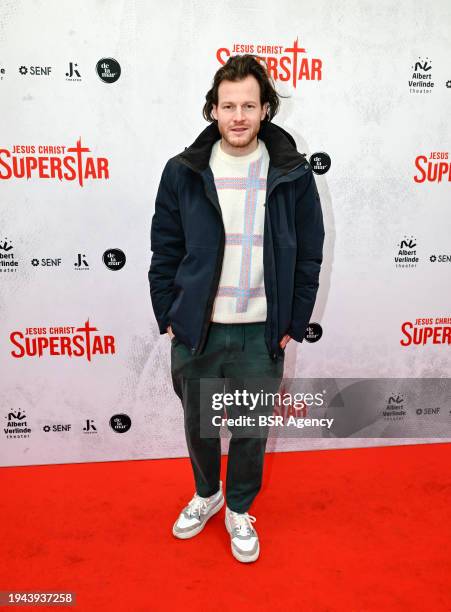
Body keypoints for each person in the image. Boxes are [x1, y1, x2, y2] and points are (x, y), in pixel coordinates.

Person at [148, 54, 325, 563]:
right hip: (199, 329)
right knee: (200, 424)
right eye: (229, 106)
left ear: (266, 109)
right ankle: (208, 495)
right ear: (213, 110)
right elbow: (165, 247)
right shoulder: (183, 171)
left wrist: (294, 319)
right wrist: (169, 312)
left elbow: (309, 252)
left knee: (249, 430)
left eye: (249, 104)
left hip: (259, 331)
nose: (239, 115)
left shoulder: (291, 172)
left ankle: (239, 508)